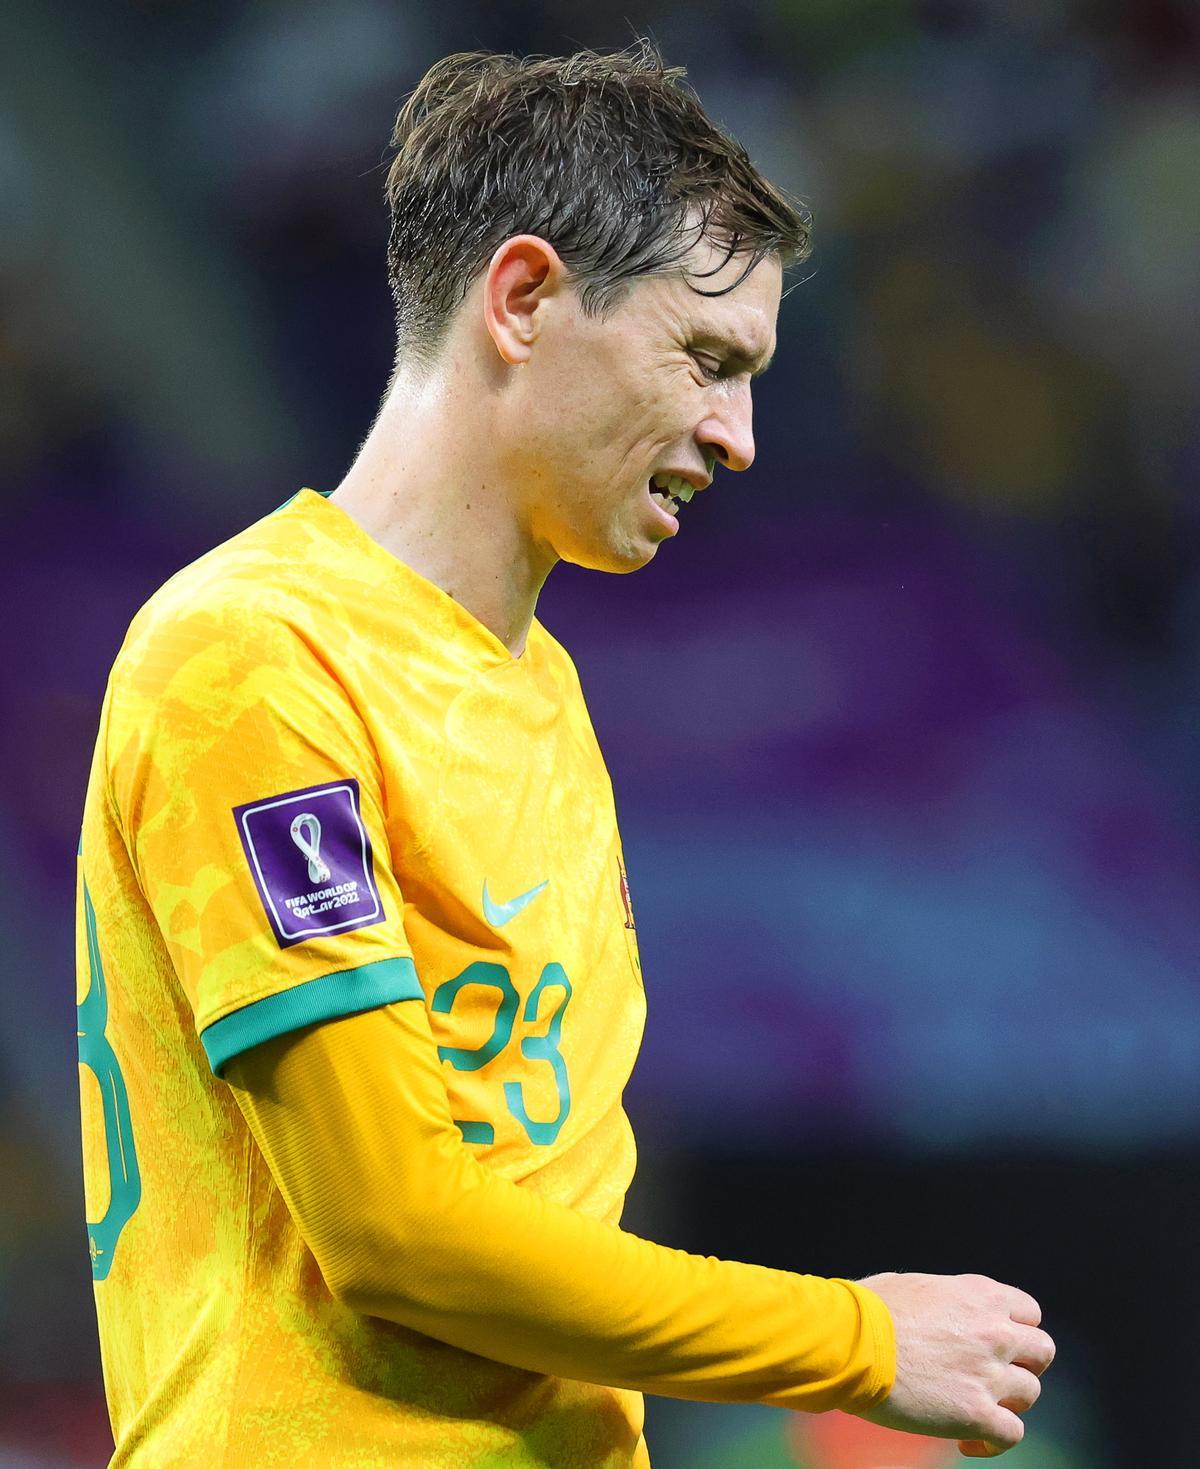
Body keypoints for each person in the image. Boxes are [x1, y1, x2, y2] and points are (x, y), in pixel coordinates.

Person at [76, 42, 1054, 1468]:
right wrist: (860, 1337)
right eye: (709, 360)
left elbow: (535, 1211)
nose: (740, 436)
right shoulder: (257, 657)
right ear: (526, 297)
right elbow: (399, 1231)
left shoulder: (545, 691)